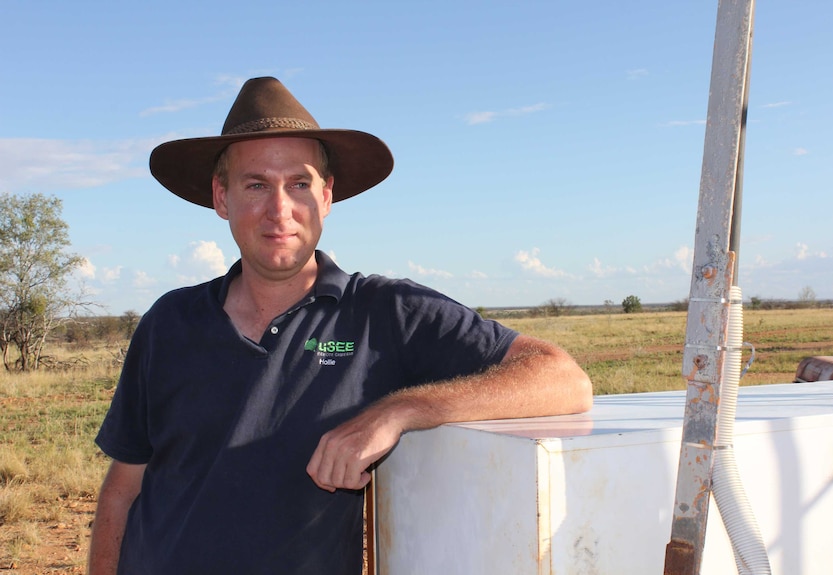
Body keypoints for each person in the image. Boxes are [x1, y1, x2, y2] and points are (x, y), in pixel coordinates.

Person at [88, 76, 593, 575]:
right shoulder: (169, 322)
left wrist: (396, 412)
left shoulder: (386, 312)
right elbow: (123, 488)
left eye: (300, 184)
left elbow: (562, 377)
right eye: (256, 184)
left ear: (326, 196)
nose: (280, 210)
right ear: (222, 198)